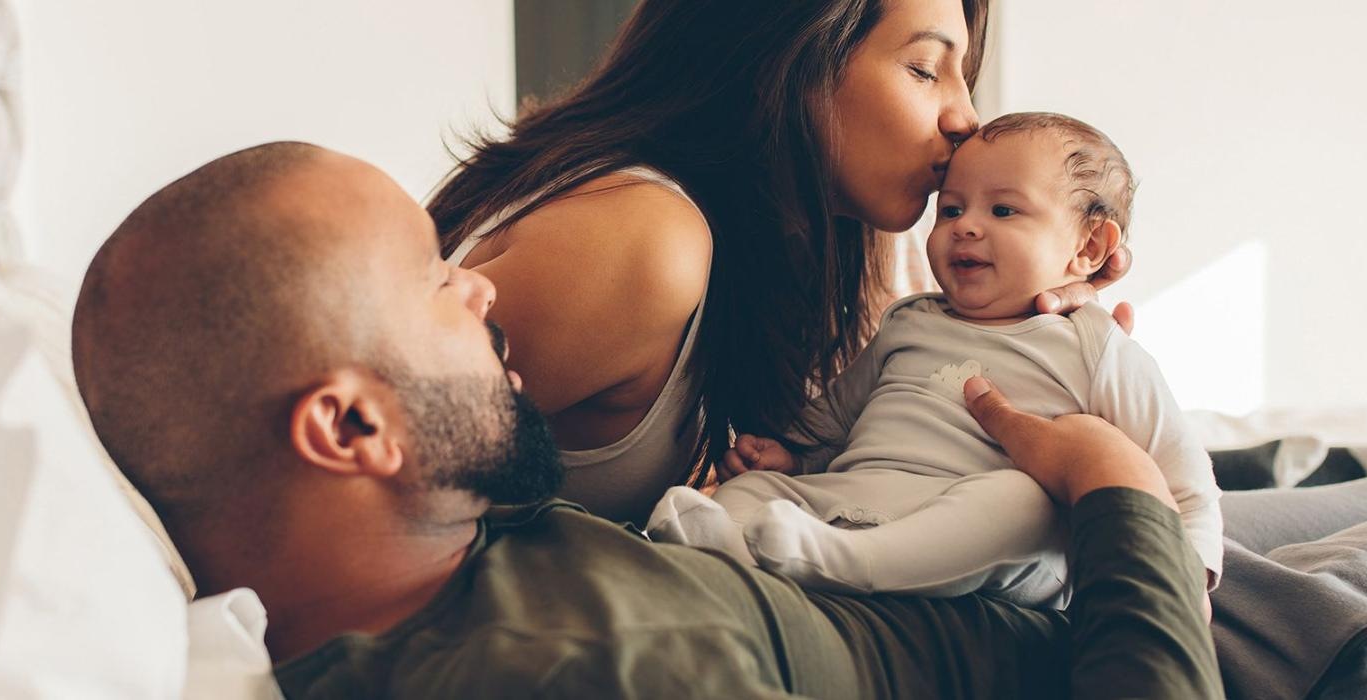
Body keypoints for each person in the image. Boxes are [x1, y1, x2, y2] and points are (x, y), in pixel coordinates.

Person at [72, 143, 1222, 698]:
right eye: (434, 281)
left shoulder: (452, 535)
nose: (481, 286)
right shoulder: (601, 675)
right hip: (1119, 631)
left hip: (1048, 583)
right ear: (349, 431)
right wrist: (1112, 481)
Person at [425, 0, 1136, 525]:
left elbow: (868, 470)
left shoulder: (802, 248)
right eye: (926, 69)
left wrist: (1036, 343)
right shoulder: (642, 240)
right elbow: (355, 482)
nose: (966, 118)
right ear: (788, 57)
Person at [647, 113, 1222, 608]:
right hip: (859, 498)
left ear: (1089, 248)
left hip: (979, 537)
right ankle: (723, 543)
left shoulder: (1093, 346)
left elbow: (1182, 474)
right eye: (949, 210)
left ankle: (842, 561)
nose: (965, 226)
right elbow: (837, 419)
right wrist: (787, 455)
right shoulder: (909, 319)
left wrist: (1188, 576)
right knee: (759, 492)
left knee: (1023, 502)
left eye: (1002, 210)